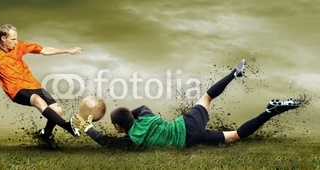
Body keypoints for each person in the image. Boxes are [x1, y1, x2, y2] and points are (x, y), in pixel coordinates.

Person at [74, 59, 300, 149]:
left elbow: (107, 143)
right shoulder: (146, 114)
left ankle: (270, 112)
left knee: (234, 136)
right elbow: (138, 109)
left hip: (190, 138)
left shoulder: (133, 140)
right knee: (207, 98)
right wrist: (128, 117)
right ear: (134, 117)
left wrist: (88, 128)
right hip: (186, 122)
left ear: (118, 128)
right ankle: (234, 73)